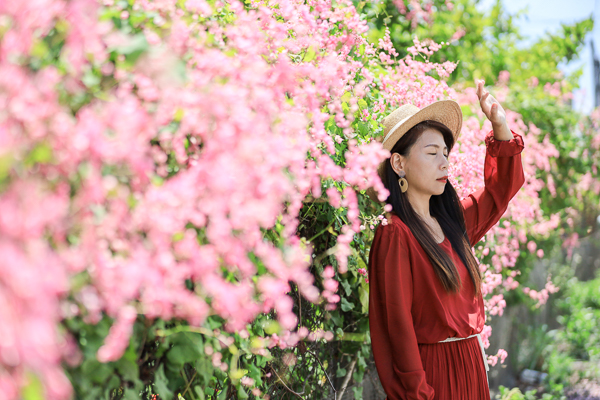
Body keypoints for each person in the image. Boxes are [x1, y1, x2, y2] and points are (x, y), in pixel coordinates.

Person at [366, 80, 525, 400]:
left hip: (471, 368)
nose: (444, 162)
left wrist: (500, 126)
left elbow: (499, 192)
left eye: (445, 152)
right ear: (399, 163)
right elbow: (397, 327)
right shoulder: (395, 234)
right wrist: (417, 392)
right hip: (434, 377)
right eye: (431, 152)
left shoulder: (454, 223)